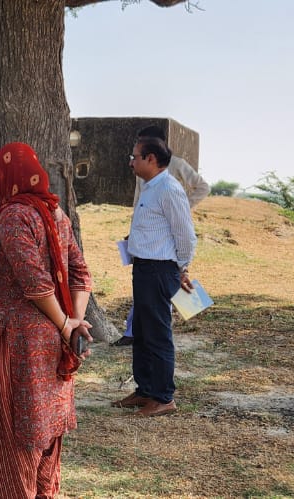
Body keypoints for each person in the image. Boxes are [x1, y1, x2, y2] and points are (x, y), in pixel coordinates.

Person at [0, 142, 94, 497]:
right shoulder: (57, 217)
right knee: (45, 428)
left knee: (14, 431)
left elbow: (35, 284)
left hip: (18, 338)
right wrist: (72, 322)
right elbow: (80, 275)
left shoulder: (13, 216)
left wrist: (67, 323)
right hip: (54, 338)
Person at [111, 136, 196, 417]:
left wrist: (181, 268)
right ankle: (145, 389)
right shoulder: (150, 187)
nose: (130, 162)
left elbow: (185, 234)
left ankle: (163, 397)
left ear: (151, 159)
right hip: (144, 267)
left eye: (135, 156)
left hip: (161, 269)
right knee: (143, 332)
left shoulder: (169, 189)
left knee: (158, 333)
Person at [114, 125, 210, 346]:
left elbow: (201, 189)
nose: (132, 159)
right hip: (147, 245)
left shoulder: (171, 176)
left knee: (159, 317)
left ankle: (149, 335)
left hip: (164, 253)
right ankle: (134, 333)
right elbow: (142, 203)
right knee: (147, 304)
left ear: (152, 153)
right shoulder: (145, 174)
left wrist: (184, 206)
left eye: (137, 152)